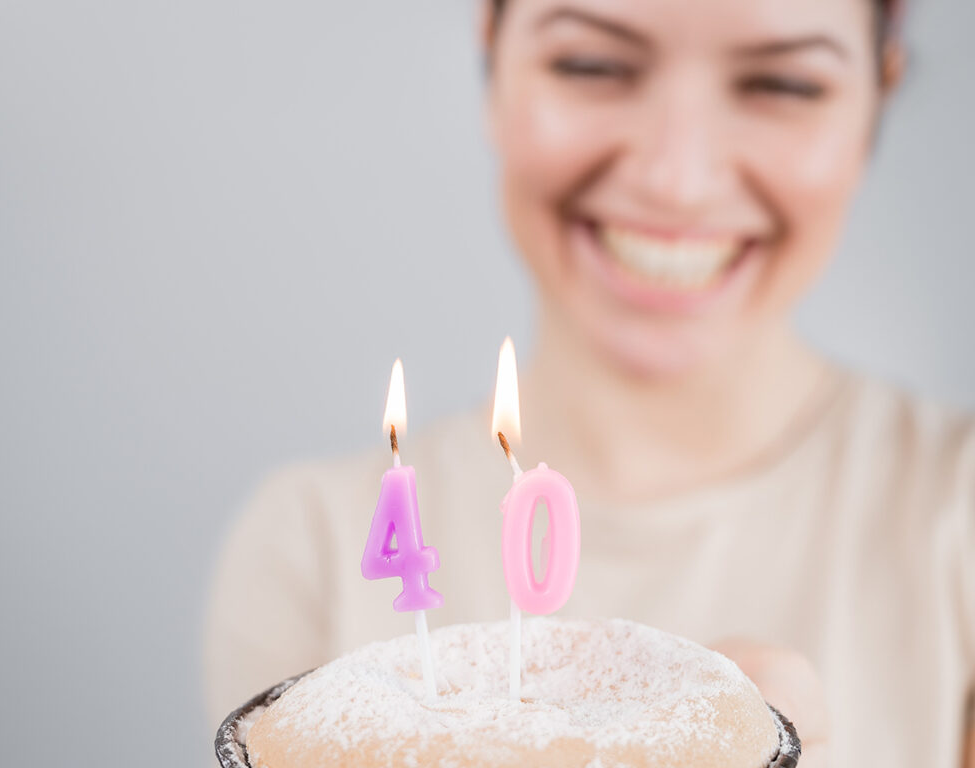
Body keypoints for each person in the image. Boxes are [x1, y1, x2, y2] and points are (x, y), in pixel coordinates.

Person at [205, 1, 974, 766]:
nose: (676, 180)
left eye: (782, 84)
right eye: (591, 65)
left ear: (881, 88)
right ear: (493, 62)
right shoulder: (310, 547)